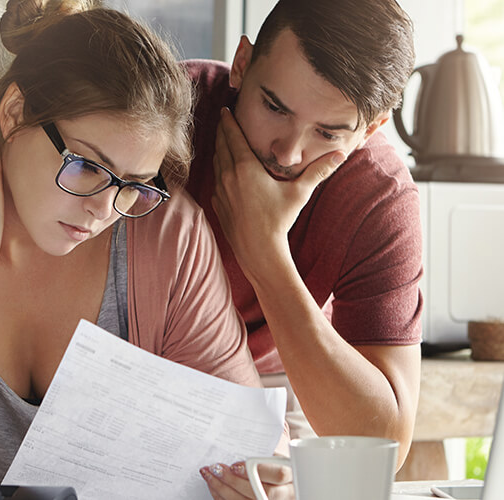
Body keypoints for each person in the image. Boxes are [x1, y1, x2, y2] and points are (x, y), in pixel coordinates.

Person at [0, 1, 287, 498]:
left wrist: (267, 482)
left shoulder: (166, 233)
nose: (104, 209)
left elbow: (247, 446)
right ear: (15, 112)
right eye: (86, 165)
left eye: (135, 184)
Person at [193, 0, 423, 498]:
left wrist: (265, 253)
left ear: (372, 129)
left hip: (279, 376)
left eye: (328, 133)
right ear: (241, 64)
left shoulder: (379, 195)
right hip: (131, 357)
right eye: (274, 107)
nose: (288, 152)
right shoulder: (167, 111)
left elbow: (384, 442)